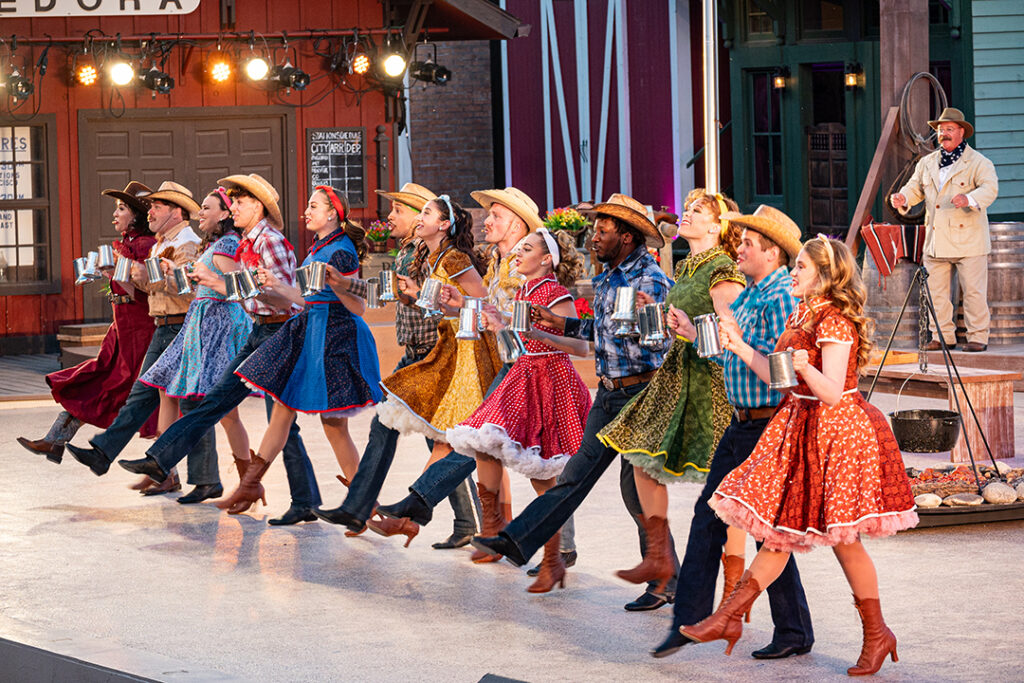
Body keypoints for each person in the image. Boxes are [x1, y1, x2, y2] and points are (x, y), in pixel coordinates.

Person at [679, 236, 918, 677]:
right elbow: (779, 376)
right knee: (782, 534)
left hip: (836, 435)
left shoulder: (835, 320)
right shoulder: (802, 312)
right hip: (800, 426)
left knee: (845, 543)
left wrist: (805, 365)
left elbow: (831, 393)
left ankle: (876, 633)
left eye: (802, 267)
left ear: (827, 276)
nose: (794, 271)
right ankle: (729, 617)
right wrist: (738, 348)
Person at [471, 193, 680, 611]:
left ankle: (666, 578)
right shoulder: (610, 276)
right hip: (609, 392)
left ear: (626, 235)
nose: (592, 237)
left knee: (633, 491)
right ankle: (520, 543)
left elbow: (665, 340)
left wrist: (650, 315)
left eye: (602, 230)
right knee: (575, 479)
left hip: (642, 392)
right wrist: (559, 322)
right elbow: (598, 332)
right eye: (594, 228)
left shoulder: (650, 279)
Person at [651, 205, 814, 660]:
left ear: (773, 253)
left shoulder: (781, 296)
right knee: (723, 521)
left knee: (758, 529)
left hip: (769, 424)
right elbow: (734, 358)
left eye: (747, 243)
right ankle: (780, 628)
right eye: (739, 240)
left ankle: (784, 629)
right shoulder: (753, 294)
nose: (738, 248)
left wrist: (737, 345)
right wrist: (690, 333)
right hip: (742, 422)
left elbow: (780, 376)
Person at [117, 174, 323, 525]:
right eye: (232, 203)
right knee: (218, 403)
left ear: (257, 207)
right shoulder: (246, 242)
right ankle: (164, 461)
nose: (234, 208)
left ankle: (293, 496)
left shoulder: (268, 241)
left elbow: (288, 299)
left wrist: (216, 284)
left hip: (277, 335)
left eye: (239, 203)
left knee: (279, 422)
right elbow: (254, 295)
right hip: (258, 332)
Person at [315, 194, 503, 547]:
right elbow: (403, 296)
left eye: (421, 213)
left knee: (461, 439)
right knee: (414, 428)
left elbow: (481, 304)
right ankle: (380, 507)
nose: (406, 218)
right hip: (443, 350)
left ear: (443, 224)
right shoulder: (428, 257)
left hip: (464, 355)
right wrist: (345, 284)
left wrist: (428, 297)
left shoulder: (455, 257)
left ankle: (446, 515)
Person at [597, 190, 745, 600]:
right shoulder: (687, 266)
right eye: (688, 208)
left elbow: (730, 336)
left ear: (717, 226)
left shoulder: (723, 270)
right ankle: (660, 556)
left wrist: (690, 330)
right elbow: (680, 326)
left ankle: (733, 584)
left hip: (711, 382)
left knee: (725, 489)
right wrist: (659, 315)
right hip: (678, 372)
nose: (687, 214)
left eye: (698, 210)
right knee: (640, 457)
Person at [214, 186, 381, 513]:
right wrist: (276, 285)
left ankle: (366, 507)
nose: (306, 211)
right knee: (284, 409)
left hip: (335, 337)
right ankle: (249, 486)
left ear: (332, 213)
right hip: (311, 329)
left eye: (313, 206)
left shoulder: (341, 251)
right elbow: (307, 300)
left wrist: (338, 283)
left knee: (333, 426)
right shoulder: (319, 247)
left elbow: (359, 306)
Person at [445, 228, 590, 590]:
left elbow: (580, 346)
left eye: (527, 248)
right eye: (518, 248)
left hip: (550, 379)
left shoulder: (556, 292)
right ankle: (492, 525)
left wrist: (542, 335)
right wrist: (502, 325)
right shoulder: (523, 291)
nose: (517, 254)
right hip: (523, 373)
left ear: (546, 259)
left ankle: (559, 549)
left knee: (542, 469)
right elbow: (522, 333)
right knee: (484, 441)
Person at [65, 182, 216, 498]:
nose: (151, 211)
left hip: (181, 327)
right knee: (146, 395)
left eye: (158, 207)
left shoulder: (186, 243)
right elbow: (152, 289)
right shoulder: (163, 243)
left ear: (176, 212)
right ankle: (106, 454)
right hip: (163, 326)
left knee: (188, 403)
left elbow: (187, 290)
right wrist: (123, 272)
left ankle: (200, 478)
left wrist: (144, 272)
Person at [18, 182, 157, 464]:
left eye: (121, 209)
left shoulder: (146, 245)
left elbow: (144, 295)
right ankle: (55, 439)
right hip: (121, 325)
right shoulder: (128, 244)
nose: (115, 215)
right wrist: (107, 273)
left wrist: (115, 273)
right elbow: (123, 288)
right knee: (98, 379)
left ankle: (165, 471)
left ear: (136, 215)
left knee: (140, 394)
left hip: (140, 328)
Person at [136, 188, 253, 504]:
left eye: (207, 208)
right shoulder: (212, 245)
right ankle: (205, 479)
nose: (200, 213)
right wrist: (173, 273)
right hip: (201, 324)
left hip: (219, 328)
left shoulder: (228, 244)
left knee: (224, 412)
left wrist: (211, 283)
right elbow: (192, 286)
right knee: (197, 402)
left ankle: (245, 484)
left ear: (224, 214)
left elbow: (241, 290)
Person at [890, 107, 999, 352]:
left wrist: (969, 199)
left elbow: (990, 188)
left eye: (949, 129)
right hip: (936, 239)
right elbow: (914, 188)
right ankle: (941, 336)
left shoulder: (979, 162)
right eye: (940, 130)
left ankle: (978, 337)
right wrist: (903, 199)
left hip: (969, 239)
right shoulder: (927, 162)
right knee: (935, 294)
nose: (944, 134)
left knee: (973, 293)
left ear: (962, 132)